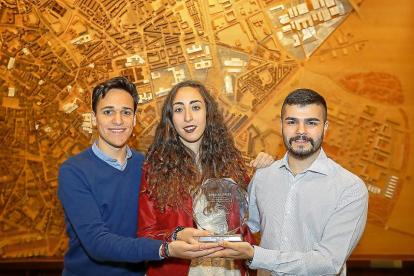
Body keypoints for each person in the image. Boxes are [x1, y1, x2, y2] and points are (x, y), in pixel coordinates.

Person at [57, 77, 222, 276]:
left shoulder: (149, 166)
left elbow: (159, 224)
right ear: (94, 118)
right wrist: (165, 248)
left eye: (126, 112)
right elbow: (96, 243)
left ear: (134, 119)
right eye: (108, 112)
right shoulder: (73, 171)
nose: (118, 120)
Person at [208, 88, 369, 276]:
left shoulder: (350, 188)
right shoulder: (263, 176)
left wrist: (256, 255)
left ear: (325, 127)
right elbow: (244, 227)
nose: (301, 131)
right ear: (281, 125)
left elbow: (328, 262)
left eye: (311, 122)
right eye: (292, 122)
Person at [137, 80, 274, 276]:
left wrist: (267, 172)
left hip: (229, 270)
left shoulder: (230, 163)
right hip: (179, 270)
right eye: (178, 109)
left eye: (195, 107)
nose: (188, 117)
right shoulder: (155, 170)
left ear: (208, 113)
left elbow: (249, 222)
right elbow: (145, 234)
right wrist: (176, 235)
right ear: (171, 119)